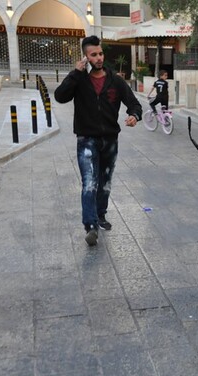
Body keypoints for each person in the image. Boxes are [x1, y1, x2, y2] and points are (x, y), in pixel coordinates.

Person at [54, 35, 142, 246]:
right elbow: (59, 96)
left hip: (110, 140)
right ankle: (91, 225)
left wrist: (134, 116)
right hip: (87, 139)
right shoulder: (79, 79)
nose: (99, 57)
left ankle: (100, 215)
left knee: (105, 184)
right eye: (93, 55)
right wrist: (75, 73)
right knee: (89, 183)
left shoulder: (116, 81)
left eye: (100, 53)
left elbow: (134, 104)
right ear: (85, 57)